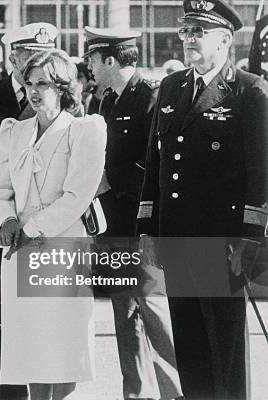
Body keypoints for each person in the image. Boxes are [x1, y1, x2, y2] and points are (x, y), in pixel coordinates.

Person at [137, 1, 268, 398]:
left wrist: (249, 237)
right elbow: (156, 161)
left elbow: (260, 174)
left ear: (225, 39)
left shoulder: (249, 91)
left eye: (199, 31)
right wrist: (147, 228)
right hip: (176, 235)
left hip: (221, 241)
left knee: (223, 350)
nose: (189, 39)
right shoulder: (173, 87)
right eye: (185, 31)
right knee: (190, 344)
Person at [0, 49, 106, 400]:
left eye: (43, 83)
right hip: (20, 252)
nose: (34, 91)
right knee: (31, 347)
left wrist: (31, 228)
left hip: (63, 247)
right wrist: (7, 219)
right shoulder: (13, 131)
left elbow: (77, 195)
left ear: (63, 86)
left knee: (64, 345)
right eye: (29, 83)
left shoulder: (84, 129)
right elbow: (0, 187)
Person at [84, 27, 183, 400]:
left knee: (154, 313)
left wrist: (112, 180)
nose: (89, 66)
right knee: (125, 317)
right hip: (113, 226)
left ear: (111, 59)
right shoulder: (106, 101)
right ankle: (137, 392)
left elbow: (159, 164)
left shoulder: (152, 97)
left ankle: (181, 390)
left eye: (93, 59)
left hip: (141, 226)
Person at [0, 21, 57, 400]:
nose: (38, 63)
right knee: (4, 319)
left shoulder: (63, 94)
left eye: (45, 54)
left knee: (47, 321)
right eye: (30, 55)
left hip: (49, 227)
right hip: (1, 225)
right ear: (13, 57)